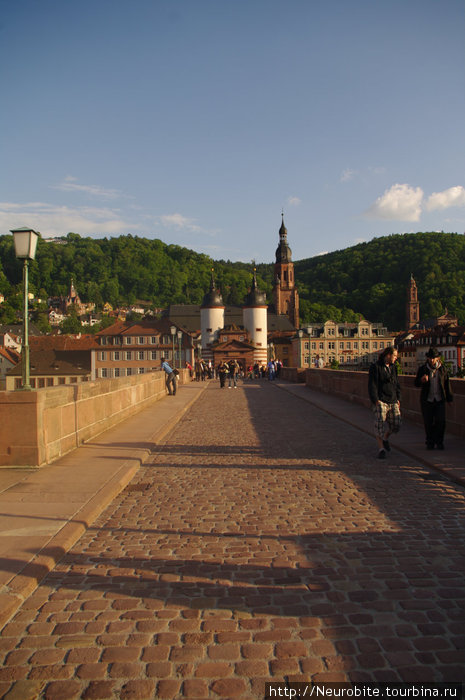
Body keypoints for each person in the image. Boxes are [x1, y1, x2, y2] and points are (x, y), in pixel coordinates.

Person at [414, 347, 453, 450]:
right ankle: (430, 442)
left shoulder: (442, 369)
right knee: (428, 422)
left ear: (437, 358)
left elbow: (447, 384)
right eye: (430, 358)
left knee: (441, 421)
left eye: (433, 358)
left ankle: (439, 441)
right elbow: (416, 383)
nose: (431, 360)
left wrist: (449, 399)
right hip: (427, 400)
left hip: (440, 399)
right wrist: (421, 380)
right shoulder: (423, 369)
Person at [368, 346, 401, 459]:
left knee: (397, 424)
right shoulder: (376, 367)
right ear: (388, 355)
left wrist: (398, 398)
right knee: (379, 424)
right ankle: (381, 448)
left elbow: (397, 383)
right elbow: (372, 384)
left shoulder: (393, 368)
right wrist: (375, 399)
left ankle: (386, 437)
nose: (396, 358)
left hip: (392, 399)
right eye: (395, 356)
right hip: (381, 400)